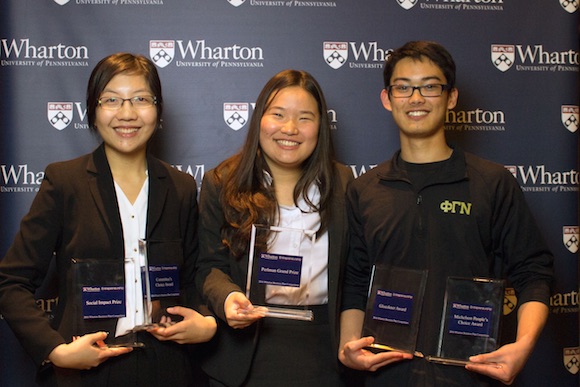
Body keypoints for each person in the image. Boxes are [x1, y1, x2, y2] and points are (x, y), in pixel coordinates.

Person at [338, 41, 554, 386]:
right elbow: (355, 279)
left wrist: (524, 345)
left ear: (451, 97)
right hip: (388, 374)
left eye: (430, 86)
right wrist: (348, 345)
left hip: (471, 372)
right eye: (403, 87)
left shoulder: (492, 182)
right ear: (387, 98)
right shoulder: (364, 189)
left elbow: (534, 273)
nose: (416, 98)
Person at [0, 53, 216, 386]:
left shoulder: (181, 187)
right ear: (93, 111)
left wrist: (206, 320)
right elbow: (11, 282)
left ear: (158, 111)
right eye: (111, 100)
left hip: (169, 368)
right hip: (86, 369)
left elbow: (193, 279)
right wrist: (55, 350)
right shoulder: (65, 181)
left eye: (141, 99)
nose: (127, 113)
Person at [195, 69, 356, 386]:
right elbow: (208, 265)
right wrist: (228, 298)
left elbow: (354, 271)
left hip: (322, 349)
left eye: (305, 118)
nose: (290, 129)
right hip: (245, 349)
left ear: (321, 127)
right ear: (259, 121)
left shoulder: (343, 183)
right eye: (278, 115)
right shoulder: (221, 182)